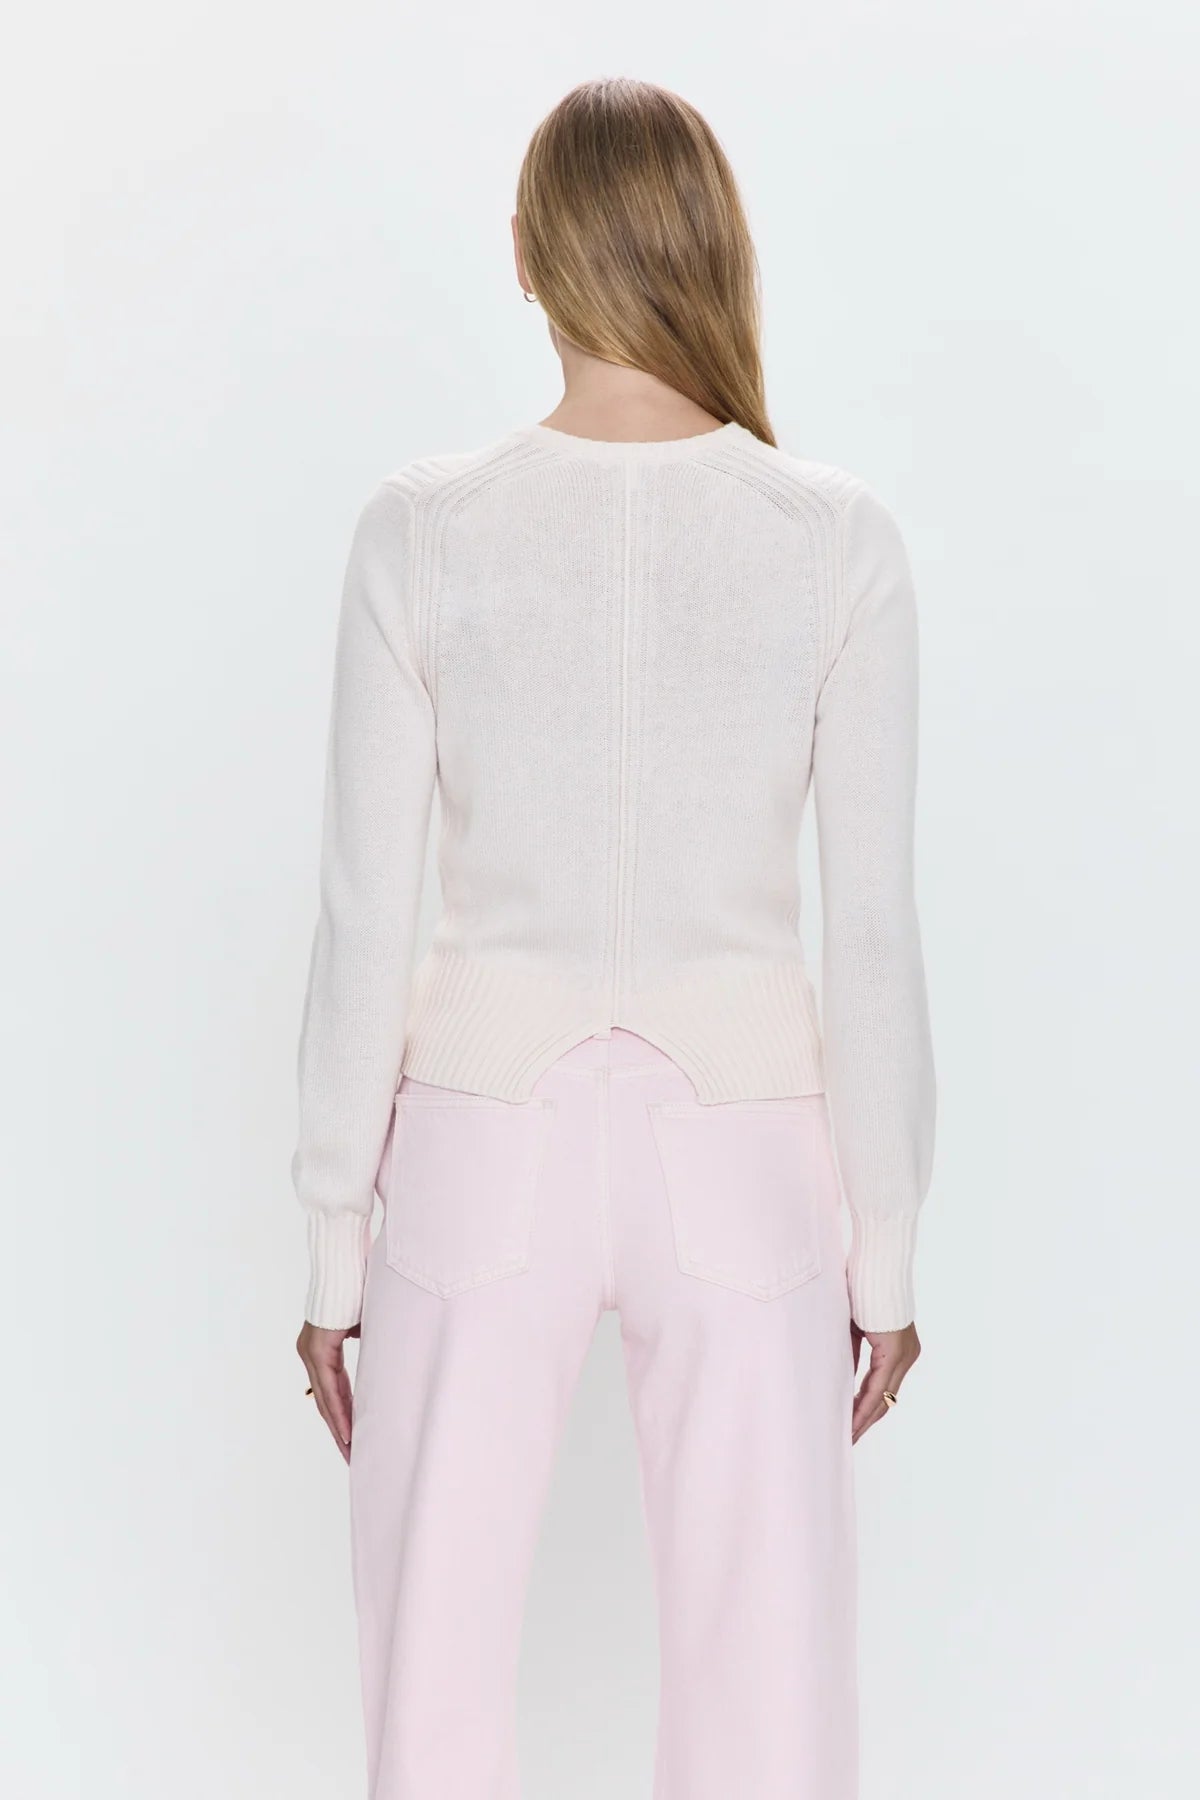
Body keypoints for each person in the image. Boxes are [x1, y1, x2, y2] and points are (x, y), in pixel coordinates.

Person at [291, 75, 935, 1800]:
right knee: (768, 1694)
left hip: (479, 1137)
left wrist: (335, 1248)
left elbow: (365, 916)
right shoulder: (838, 543)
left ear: (525, 254)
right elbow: (871, 939)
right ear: (716, 245)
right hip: (746, 1148)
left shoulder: (423, 532)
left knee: (429, 1677)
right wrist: (885, 1257)